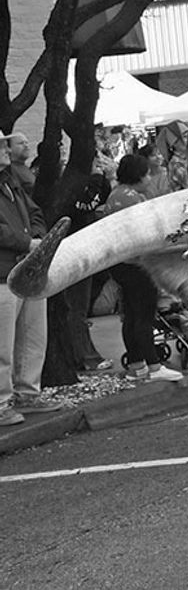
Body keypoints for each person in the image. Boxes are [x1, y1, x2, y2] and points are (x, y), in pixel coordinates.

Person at [0, 131, 61, 426]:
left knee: (32, 337)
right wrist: (29, 244)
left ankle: (27, 393)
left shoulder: (10, 181)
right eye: (0, 145)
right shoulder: (9, 180)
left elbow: (35, 212)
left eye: (3, 145)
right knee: (3, 345)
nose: (4, 150)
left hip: (23, 268)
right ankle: (2, 402)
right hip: (4, 274)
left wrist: (36, 236)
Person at [105, 154, 183, 384]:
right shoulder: (133, 199)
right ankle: (154, 365)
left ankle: (137, 365)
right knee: (144, 314)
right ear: (138, 175)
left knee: (130, 314)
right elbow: (148, 232)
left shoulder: (115, 195)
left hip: (120, 264)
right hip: (137, 264)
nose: (150, 178)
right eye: (147, 173)